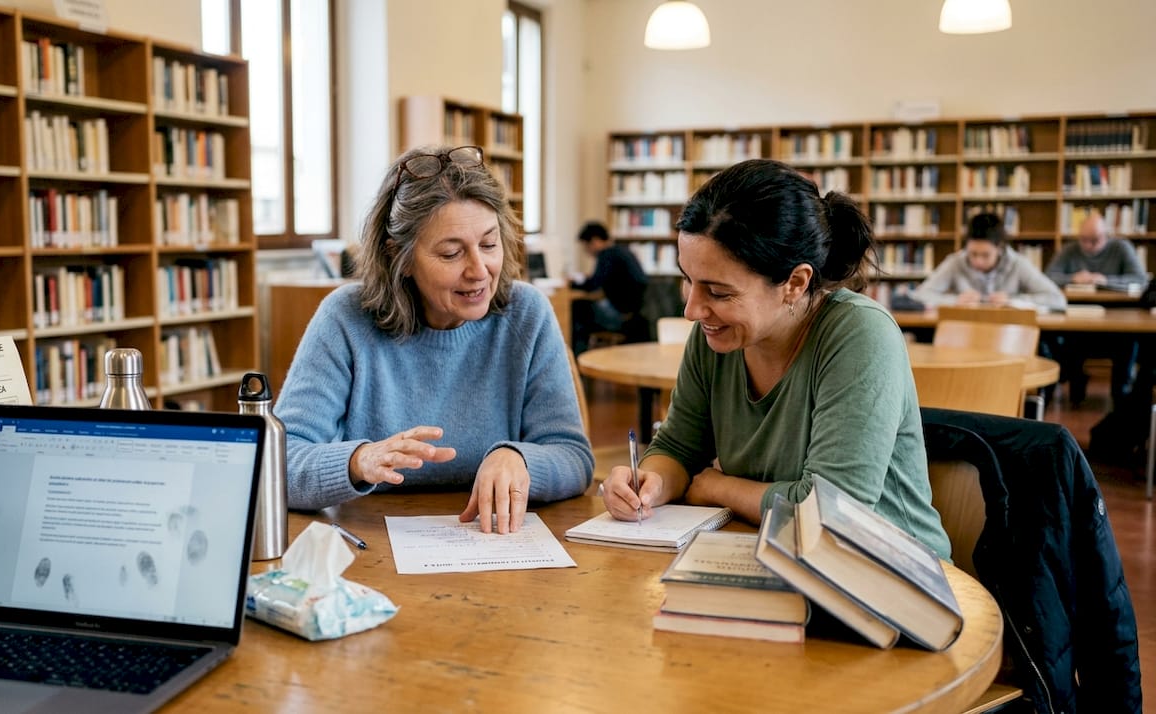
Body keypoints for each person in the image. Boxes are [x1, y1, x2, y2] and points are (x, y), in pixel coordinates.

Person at [599, 159, 951, 559]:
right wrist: (651, 482)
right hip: (773, 552)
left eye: (718, 292)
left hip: (892, 577)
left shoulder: (860, 334)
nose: (693, 311)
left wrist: (718, 487)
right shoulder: (717, 336)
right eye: (687, 280)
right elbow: (678, 448)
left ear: (795, 283)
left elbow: (830, 513)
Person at [274, 144, 594, 533]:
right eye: (450, 253)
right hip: (370, 544)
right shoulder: (345, 317)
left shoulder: (526, 312)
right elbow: (280, 462)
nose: (479, 271)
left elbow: (574, 458)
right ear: (400, 257)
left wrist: (519, 459)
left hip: (495, 544)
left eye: (489, 244)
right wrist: (359, 460)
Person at [1045, 211, 1145, 405]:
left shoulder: (1121, 248)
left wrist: (1105, 280)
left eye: (1095, 240)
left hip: (1118, 322)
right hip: (1078, 321)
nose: (1089, 245)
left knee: (1130, 341)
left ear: (1107, 235)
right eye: (1084, 240)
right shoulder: (1069, 250)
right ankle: (1075, 384)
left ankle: (1121, 396)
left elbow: (1140, 279)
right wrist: (1072, 278)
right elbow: (1048, 277)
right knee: (1056, 338)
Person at [911, 213, 1066, 310]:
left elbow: (1057, 299)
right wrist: (955, 301)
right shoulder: (955, 262)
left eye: (985, 255)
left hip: (1007, 335)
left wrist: (1012, 301)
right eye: (973, 254)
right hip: (964, 334)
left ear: (999, 248)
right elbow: (921, 295)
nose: (978, 261)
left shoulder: (1018, 264)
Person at [569, 221, 649, 354]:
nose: (586, 251)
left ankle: (578, 356)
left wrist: (572, 283)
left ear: (594, 241)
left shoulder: (607, 255)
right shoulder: (621, 250)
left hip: (620, 317)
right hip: (633, 314)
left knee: (577, 308)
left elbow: (594, 285)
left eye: (586, 246)